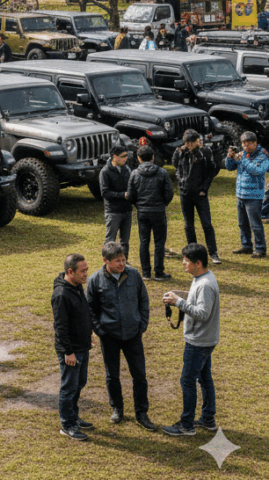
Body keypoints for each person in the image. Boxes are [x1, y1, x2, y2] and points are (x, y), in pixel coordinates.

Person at [86, 241, 156, 432]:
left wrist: (142, 325)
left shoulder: (134, 275)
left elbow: (143, 300)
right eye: (117, 261)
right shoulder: (95, 280)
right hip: (109, 336)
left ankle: (141, 413)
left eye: (123, 259)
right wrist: (100, 331)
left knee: (139, 375)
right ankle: (117, 408)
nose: (122, 263)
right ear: (105, 260)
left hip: (133, 334)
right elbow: (90, 309)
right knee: (112, 375)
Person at [161, 243, 221, 436]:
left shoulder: (205, 285)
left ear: (198, 263)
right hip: (205, 338)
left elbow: (202, 313)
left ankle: (186, 425)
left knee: (187, 381)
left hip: (198, 341)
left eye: (186, 261)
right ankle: (208, 419)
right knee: (204, 378)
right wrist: (180, 296)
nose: (183, 263)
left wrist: (178, 302)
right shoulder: (202, 277)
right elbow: (198, 301)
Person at [52, 253, 93, 441]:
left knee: (79, 383)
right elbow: (60, 327)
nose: (86, 274)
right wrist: (68, 352)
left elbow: (82, 313)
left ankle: (74, 417)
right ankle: (67, 425)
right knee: (69, 387)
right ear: (70, 272)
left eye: (86, 270)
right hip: (71, 351)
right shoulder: (61, 294)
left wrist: (88, 333)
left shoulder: (77, 286)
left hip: (82, 346)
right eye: (82, 271)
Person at [172, 130, 219, 264]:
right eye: (188, 143)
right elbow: (175, 166)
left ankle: (213, 252)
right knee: (188, 225)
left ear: (197, 141)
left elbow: (211, 171)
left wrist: (204, 189)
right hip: (185, 193)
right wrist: (181, 183)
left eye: (192, 143)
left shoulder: (204, 152)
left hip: (200, 194)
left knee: (206, 224)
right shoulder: (180, 151)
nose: (190, 146)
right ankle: (192, 252)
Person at [127, 145, 174, 280]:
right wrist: (162, 203)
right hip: (158, 211)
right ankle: (158, 272)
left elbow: (130, 195)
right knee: (159, 242)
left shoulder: (134, 173)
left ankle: (146, 273)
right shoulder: (162, 172)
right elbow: (169, 193)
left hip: (142, 211)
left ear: (138, 158)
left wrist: (138, 205)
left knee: (144, 241)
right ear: (153, 157)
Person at [226, 131, 269, 258]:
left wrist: (243, 160)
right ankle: (246, 246)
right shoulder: (243, 154)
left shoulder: (263, 155)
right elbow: (229, 167)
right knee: (242, 223)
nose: (245, 146)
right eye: (243, 143)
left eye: (248, 143)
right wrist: (230, 158)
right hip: (241, 194)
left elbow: (257, 171)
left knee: (255, 224)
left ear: (255, 143)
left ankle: (260, 249)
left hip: (254, 196)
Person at [100, 146, 133, 260]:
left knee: (125, 241)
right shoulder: (105, 172)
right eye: (123, 156)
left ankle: (124, 262)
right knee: (110, 240)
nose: (125, 158)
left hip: (127, 210)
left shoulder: (126, 169)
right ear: (114, 157)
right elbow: (105, 193)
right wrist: (123, 195)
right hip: (113, 211)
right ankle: (107, 262)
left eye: (126, 156)